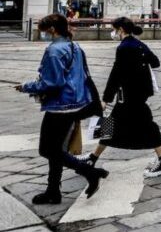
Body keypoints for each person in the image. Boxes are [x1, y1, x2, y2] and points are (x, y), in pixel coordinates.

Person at [15, 14, 108, 204]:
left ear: (51, 29)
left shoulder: (54, 51)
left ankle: (89, 172)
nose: (42, 34)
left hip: (60, 107)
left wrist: (26, 86)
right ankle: (53, 191)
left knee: (47, 149)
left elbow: (52, 83)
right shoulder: (75, 46)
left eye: (43, 30)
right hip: (76, 104)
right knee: (57, 149)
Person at [78, 17, 161, 178]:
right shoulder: (139, 44)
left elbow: (116, 75)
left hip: (129, 96)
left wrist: (105, 99)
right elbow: (155, 62)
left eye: (114, 29)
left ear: (121, 29)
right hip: (137, 95)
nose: (112, 32)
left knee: (146, 126)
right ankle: (92, 158)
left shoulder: (124, 48)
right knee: (110, 123)